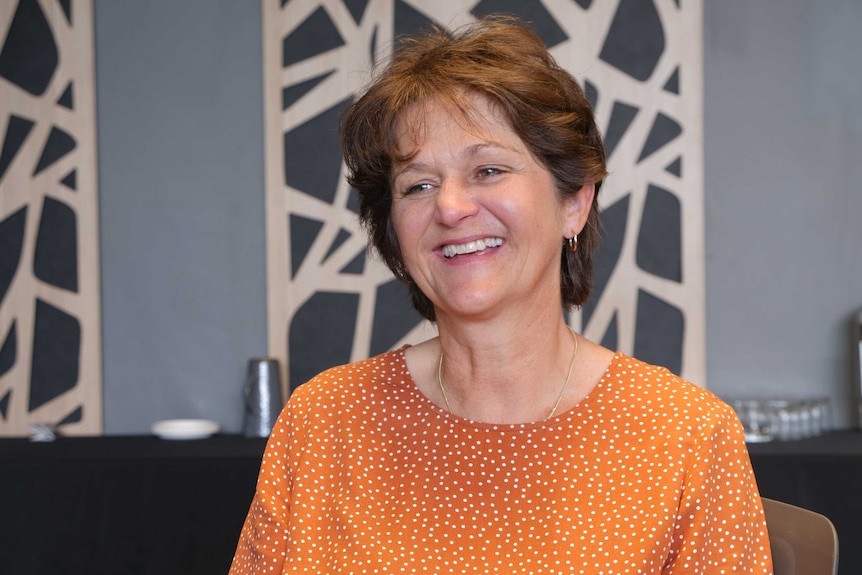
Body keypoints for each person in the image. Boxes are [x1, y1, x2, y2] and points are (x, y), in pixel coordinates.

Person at [230, 16, 773, 574]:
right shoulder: (322, 423)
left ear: (574, 203)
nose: (449, 207)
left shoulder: (687, 437)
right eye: (418, 184)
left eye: (488, 170)